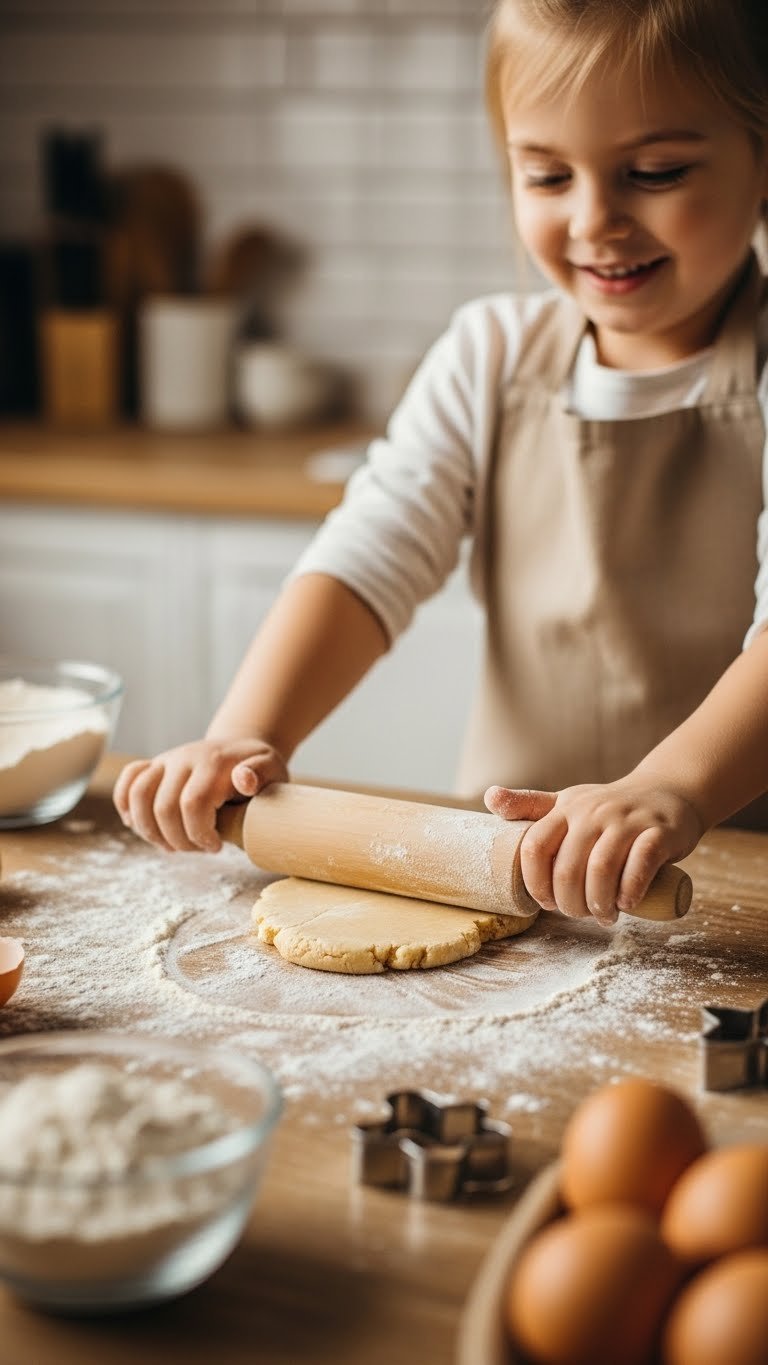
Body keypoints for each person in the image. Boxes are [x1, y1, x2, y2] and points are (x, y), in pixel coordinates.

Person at [115, 0, 768, 928]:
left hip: (729, 887)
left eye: (654, 171)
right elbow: (367, 557)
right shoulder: (489, 354)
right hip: (506, 876)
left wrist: (672, 788)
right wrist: (245, 732)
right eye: (545, 175)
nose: (594, 219)